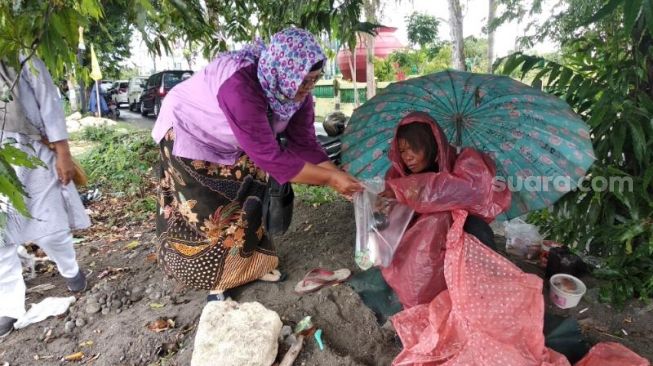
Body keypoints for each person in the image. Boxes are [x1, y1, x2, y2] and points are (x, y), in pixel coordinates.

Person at [151, 28, 361, 301]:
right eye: (303, 81)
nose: (306, 89)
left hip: (238, 143)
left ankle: (251, 266)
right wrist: (331, 180)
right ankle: (219, 280)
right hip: (189, 134)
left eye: (313, 81)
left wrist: (340, 176)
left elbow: (305, 144)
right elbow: (271, 158)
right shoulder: (240, 86)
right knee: (208, 213)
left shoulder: (298, 96)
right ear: (283, 71)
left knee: (249, 199)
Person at [379, 112, 510, 308]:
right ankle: (423, 294)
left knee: (475, 232)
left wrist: (404, 191)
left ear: (431, 144)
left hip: (462, 229)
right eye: (402, 152)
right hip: (417, 241)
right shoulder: (397, 175)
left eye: (413, 149)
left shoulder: (465, 162)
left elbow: (467, 189)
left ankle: (478, 291)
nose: (408, 158)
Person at [0, 56, 91, 337]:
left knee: (50, 228)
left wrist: (62, 152)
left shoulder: (20, 51)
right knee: (1, 237)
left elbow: (49, 102)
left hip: (33, 152)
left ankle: (71, 270)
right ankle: (9, 306)